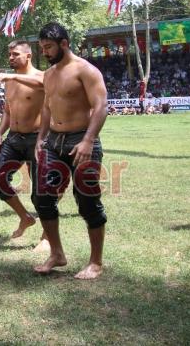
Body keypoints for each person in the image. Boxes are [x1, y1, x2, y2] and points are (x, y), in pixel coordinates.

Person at [33, 22, 108, 280]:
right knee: (42, 197)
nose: (45, 52)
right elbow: (46, 107)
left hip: (82, 140)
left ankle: (95, 262)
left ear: (64, 44)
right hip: (54, 142)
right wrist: (40, 138)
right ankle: (57, 253)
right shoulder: (49, 74)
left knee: (87, 201)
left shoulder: (85, 70)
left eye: (49, 47)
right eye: (42, 47)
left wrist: (88, 140)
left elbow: (101, 106)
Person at [0, 41, 45, 242]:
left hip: (38, 138)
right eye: (9, 54)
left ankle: (47, 237)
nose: (11, 58)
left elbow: (44, 83)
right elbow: (7, 110)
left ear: (28, 55)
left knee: (42, 190)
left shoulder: (41, 76)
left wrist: (11, 75)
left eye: (15, 54)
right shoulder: (9, 81)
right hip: (13, 137)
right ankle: (25, 217)